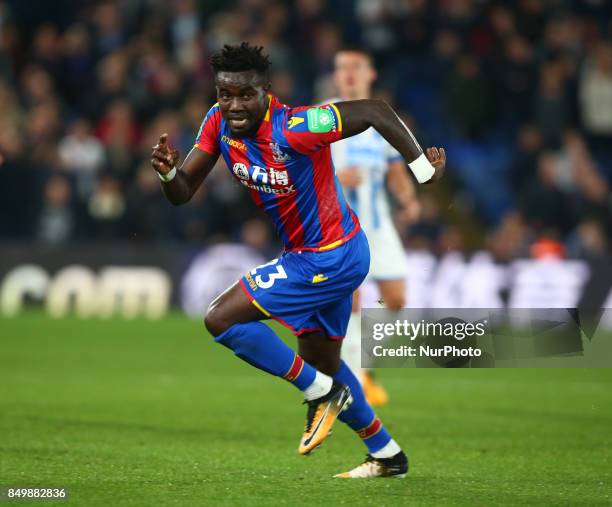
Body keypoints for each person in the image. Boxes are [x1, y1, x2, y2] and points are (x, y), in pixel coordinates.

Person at [150, 42, 445, 478]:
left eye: (244, 94)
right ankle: (387, 454)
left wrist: (422, 169)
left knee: (220, 319)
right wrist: (169, 173)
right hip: (315, 256)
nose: (233, 104)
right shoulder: (217, 123)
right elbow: (183, 193)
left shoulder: (297, 126)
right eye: (224, 94)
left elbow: (377, 111)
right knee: (324, 361)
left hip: (330, 256)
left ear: (266, 91)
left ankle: (322, 393)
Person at [330, 48, 420, 406]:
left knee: (395, 299)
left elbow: (396, 169)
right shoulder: (323, 116)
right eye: (341, 69)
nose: (348, 74)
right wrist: (336, 177)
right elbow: (301, 169)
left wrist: (409, 199)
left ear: (371, 73)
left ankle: (359, 363)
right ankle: (354, 381)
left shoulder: (383, 119)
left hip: (379, 226)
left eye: (355, 67)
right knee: (351, 299)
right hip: (341, 227)